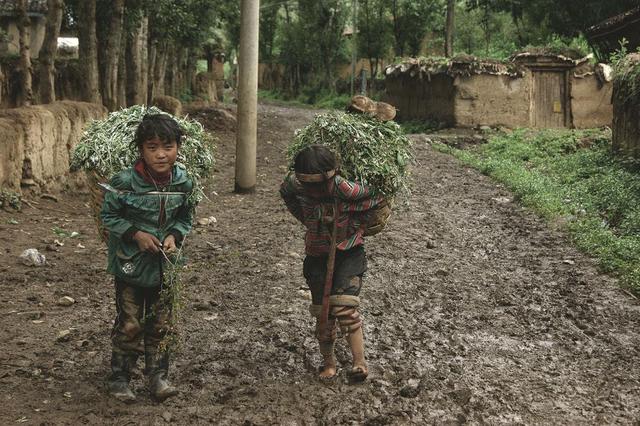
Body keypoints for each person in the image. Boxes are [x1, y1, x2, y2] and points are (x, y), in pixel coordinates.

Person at [101, 114, 193, 402]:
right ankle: (120, 378)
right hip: (130, 263)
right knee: (130, 322)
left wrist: (174, 236)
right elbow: (108, 215)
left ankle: (158, 378)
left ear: (179, 147)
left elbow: (186, 216)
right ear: (140, 149)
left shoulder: (184, 182)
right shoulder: (126, 181)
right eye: (152, 147)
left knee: (162, 322)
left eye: (168, 146)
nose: (161, 154)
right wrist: (136, 234)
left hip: (165, 265)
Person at [280, 144, 384, 382]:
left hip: (348, 253)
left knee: (344, 308)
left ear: (332, 175)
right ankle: (329, 362)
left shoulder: (343, 188)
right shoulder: (296, 185)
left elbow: (378, 196)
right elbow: (285, 193)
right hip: (317, 256)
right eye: (309, 187)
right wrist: (307, 216)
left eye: (319, 186)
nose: (314, 191)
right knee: (324, 314)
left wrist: (348, 211)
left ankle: (359, 362)